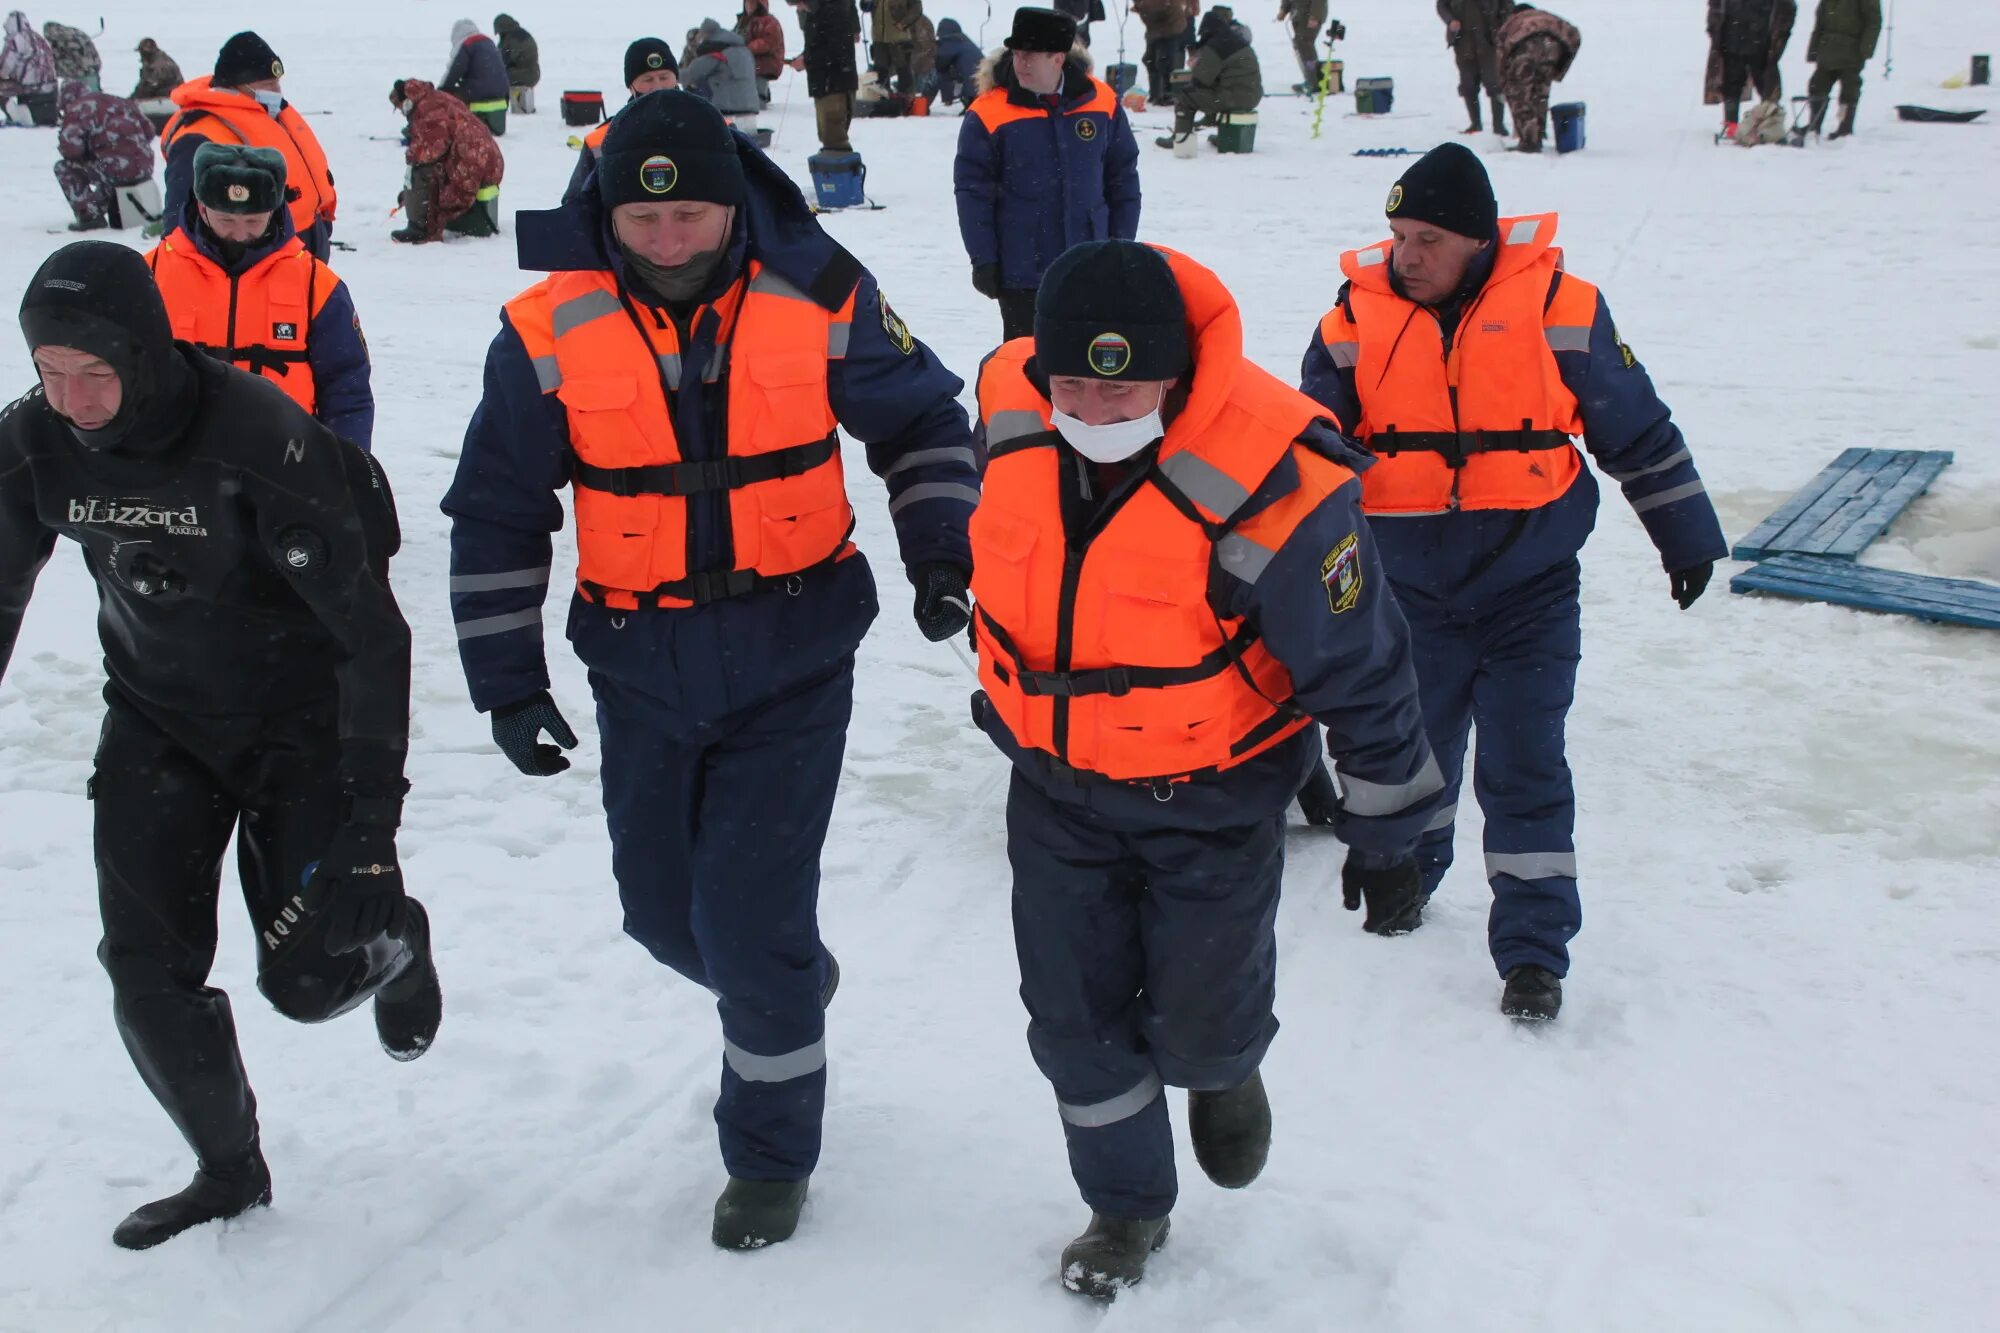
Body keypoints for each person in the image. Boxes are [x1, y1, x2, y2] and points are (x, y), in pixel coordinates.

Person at [444, 90, 979, 1252]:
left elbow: (928, 423)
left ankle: (770, 1151)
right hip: (638, 661)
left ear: (731, 204)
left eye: (691, 213)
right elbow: (496, 512)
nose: (670, 240)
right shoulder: (545, 327)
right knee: (657, 914)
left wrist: (943, 552)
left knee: (746, 921)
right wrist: (508, 682)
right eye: (645, 222)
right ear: (607, 214)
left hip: (794, 651)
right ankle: (784, 980)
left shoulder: (820, 288)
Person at [969, 239, 1442, 1298]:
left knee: (1195, 1016)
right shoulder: (1009, 412)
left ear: (1177, 377)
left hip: (1214, 800)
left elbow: (1360, 665)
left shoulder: (1277, 474)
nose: (1092, 408)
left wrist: (1388, 833)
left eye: (1121, 383)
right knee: (1071, 1022)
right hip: (1054, 791)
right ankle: (1124, 1207)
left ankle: (1223, 1069)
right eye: (1071, 384)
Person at [0, 240, 439, 1251]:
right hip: (160, 723)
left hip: (300, 730)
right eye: (49, 374)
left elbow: (373, 635)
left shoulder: (256, 436)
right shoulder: (37, 444)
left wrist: (372, 827)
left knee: (306, 982)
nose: (72, 400)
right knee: (144, 970)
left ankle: (398, 943)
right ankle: (228, 1170)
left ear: (146, 356)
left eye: (94, 374)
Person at [1299, 143, 1728, 1021]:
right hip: (1410, 592)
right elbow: (1307, 457)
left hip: (1530, 591)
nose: (1404, 256)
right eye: (1396, 236)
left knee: (1525, 763)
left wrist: (1685, 537)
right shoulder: (1352, 320)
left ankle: (1533, 949)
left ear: (1475, 239)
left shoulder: (1562, 309)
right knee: (1416, 756)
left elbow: (1635, 430)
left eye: (1426, 238)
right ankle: (1408, 879)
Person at [146, 144, 374, 447]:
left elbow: (347, 389)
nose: (240, 235)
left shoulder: (317, 285)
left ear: (276, 210)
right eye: (226, 220)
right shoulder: (150, 273)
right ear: (201, 208)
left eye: (254, 222)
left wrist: (349, 469)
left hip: (283, 462)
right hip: (174, 459)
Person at [956, 8, 1140, 342]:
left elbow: (1123, 179)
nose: (1020, 63)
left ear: (1057, 58)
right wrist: (983, 258)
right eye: (1016, 54)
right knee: (1026, 365)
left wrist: (1121, 245)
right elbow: (972, 193)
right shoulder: (988, 113)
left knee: (1087, 366)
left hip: (1092, 264)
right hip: (1023, 269)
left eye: (1031, 56)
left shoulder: (1101, 102)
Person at [159, 32, 338, 260]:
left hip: (299, 252)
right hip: (254, 260)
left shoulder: (269, 115)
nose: (276, 92)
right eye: (267, 85)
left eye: (277, 84)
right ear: (236, 86)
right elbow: (178, 220)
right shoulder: (199, 136)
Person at [564, 38, 681, 201]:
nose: (657, 87)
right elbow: (575, 205)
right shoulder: (601, 139)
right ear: (630, 86)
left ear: (676, 78)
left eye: (664, 77)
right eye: (647, 79)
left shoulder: (714, 127)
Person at [391, 78, 505, 243]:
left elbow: (430, 150)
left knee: (421, 171)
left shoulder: (426, 109)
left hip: (473, 163)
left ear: (406, 101)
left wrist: (411, 163)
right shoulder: (435, 98)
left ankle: (420, 228)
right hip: (488, 160)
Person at [52, 79, 154, 231]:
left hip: (115, 170)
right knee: (106, 167)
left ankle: (89, 216)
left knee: (64, 168)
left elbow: (70, 149)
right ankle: (105, 203)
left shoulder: (78, 108)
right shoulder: (120, 102)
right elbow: (149, 131)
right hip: (144, 167)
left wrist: (89, 153)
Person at [1156, 6, 1259, 149]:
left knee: (1185, 97)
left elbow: (1201, 80)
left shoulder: (1215, 46)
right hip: (1252, 95)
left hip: (1234, 97)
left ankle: (1180, 139)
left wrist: (1195, 67)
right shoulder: (1238, 41)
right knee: (1219, 91)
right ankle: (1225, 135)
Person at [1493, 2, 1578, 152]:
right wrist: (1559, 70)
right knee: (1540, 93)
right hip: (1552, 48)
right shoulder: (1548, 18)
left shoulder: (1513, 22)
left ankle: (1529, 142)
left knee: (1520, 96)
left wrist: (1504, 83)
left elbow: (1501, 53)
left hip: (1525, 51)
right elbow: (1575, 37)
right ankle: (1538, 132)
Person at [1706, 1, 1796, 136]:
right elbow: (1716, 6)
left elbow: (1788, 9)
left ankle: (1769, 125)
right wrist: (1714, 27)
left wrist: (1779, 35)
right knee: (1731, 85)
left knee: (1767, 87)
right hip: (1732, 41)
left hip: (1761, 44)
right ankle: (1731, 126)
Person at [787, 0, 863, 152]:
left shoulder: (833, 10)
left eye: (800, 5)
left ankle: (840, 174)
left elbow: (836, 51)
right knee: (828, 139)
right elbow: (818, 44)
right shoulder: (816, 13)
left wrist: (807, 60)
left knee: (835, 142)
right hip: (825, 84)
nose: (800, 10)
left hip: (835, 85)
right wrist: (805, 57)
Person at [1805, 0, 1879, 139]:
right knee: (1817, 86)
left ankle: (1845, 127)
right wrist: (1813, 49)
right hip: (1827, 49)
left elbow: (1873, 21)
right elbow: (1820, 22)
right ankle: (1814, 124)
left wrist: (1866, 49)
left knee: (1849, 91)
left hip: (1852, 51)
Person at [1438, 0, 1506, 134]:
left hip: (1489, 41)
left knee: (1495, 84)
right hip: (1464, 41)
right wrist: (1450, 20)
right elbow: (1442, 5)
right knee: (1468, 85)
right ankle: (1475, 123)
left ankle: (1498, 125)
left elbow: (1507, 4)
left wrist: (1501, 24)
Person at [683, 18, 763, 123]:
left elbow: (691, 75)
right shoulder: (744, 50)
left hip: (727, 108)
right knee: (747, 137)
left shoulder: (717, 51)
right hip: (751, 107)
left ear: (706, 35)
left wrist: (669, 73)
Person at [441, 19, 511, 134]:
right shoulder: (489, 42)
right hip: (501, 94)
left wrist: (439, 92)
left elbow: (453, 74)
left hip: (479, 93)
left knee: (449, 95)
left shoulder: (467, 45)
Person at [1132, 0, 1194, 106]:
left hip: (1169, 30)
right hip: (1155, 30)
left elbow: (1158, 11)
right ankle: (1155, 93)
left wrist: (1142, 7)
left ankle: (1167, 95)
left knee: (1164, 62)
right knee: (1149, 60)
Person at [864, 0, 919, 95]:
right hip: (879, 38)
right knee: (880, 73)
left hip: (899, 38)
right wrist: (865, 4)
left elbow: (916, 8)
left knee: (903, 71)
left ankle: (907, 102)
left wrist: (904, 23)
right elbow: (865, 6)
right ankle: (883, 102)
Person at [736, 0, 786, 104]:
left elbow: (769, 42)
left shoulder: (770, 22)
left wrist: (746, 48)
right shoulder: (743, 21)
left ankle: (760, 96)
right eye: (747, 3)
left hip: (765, 63)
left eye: (752, 3)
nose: (748, 6)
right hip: (749, 61)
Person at [0, 10, 56, 101]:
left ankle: (13, 112)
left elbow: (3, 69)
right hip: (50, 87)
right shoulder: (39, 38)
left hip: (30, 88)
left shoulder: (16, 39)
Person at [1277, 0, 1328, 94]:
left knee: (1306, 48)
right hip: (1298, 16)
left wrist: (1315, 16)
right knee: (1302, 48)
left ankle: (1313, 82)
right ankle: (1311, 79)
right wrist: (1284, 9)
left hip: (1309, 16)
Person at [493, 14, 540, 114]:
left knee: (498, 78)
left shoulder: (511, 39)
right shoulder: (521, 34)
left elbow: (502, 61)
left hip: (524, 75)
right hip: (534, 73)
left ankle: (500, 107)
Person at [931, 17, 980, 104]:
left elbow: (940, 63)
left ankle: (947, 100)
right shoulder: (963, 39)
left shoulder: (950, 41)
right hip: (981, 78)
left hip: (969, 81)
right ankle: (969, 102)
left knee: (938, 74)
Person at [42, 18, 98, 90]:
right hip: (94, 67)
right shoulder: (75, 32)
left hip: (80, 71)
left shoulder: (58, 40)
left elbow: (54, 58)